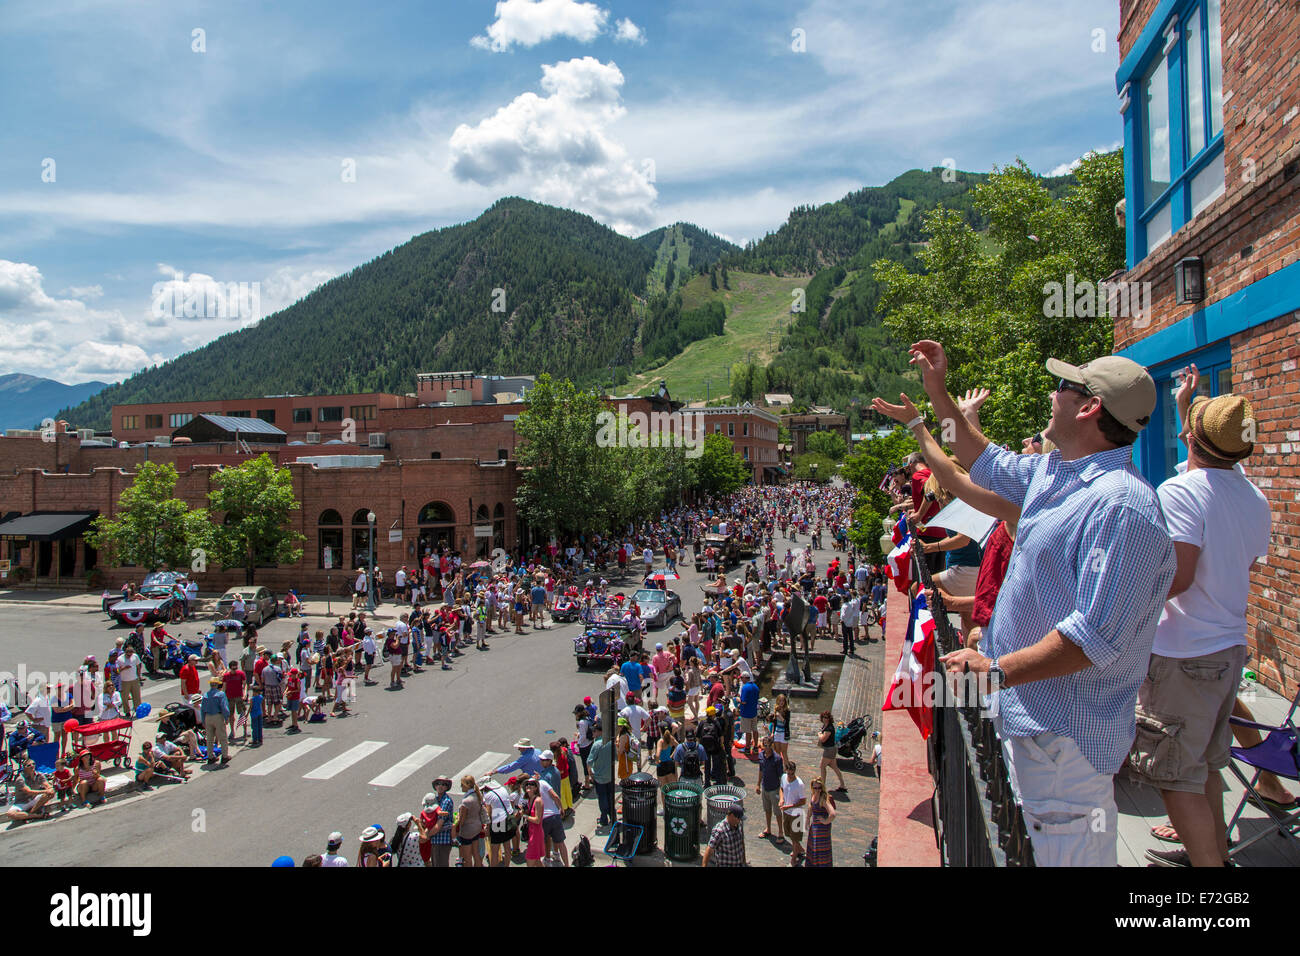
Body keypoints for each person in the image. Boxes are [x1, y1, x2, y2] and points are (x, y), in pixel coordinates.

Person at [907, 339, 1176, 868]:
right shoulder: (1059, 473)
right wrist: (936, 391)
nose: (1052, 395)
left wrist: (997, 669)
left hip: (1064, 742)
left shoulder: (1122, 506)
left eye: (1062, 386)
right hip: (1030, 723)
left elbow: (1092, 636)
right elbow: (979, 460)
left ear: (1089, 407)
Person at [1132, 385, 1272, 868]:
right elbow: (1246, 563)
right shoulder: (1253, 496)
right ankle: (1212, 854)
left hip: (1183, 652)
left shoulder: (1181, 493)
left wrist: (1124, 602)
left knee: (1173, 775)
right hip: (1229, 647)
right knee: (1206, 767)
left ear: (1190, 436)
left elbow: (1179, 575)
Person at [586, 721, 616, 827]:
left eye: (594, 731)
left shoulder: (596, 745)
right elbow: (616, 758)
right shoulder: (611, 743)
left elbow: (589, 761)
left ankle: (604, 818)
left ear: (600, 732)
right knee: (610, 797)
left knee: (602, 798)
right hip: (610, 776)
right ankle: (613, 817)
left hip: (599, 777)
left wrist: (591, 774)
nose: (592, 733)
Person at [755, 735, 784, 839]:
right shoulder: (761, 755)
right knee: (767, 809)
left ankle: (781, 832)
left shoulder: (777, 759)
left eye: (768, 745)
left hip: (774, 788)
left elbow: (781, 777)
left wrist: (781, 794)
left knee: (777, 812)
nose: (766, 748)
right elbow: (761, 770)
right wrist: (758, 784)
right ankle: (768, 828)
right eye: (764, 745)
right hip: (765, 787)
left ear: (772, 745)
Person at [779, 759, 807, 865]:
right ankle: (800, 849)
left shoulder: (799, 784)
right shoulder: (783, 777)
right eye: (788, 773)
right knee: (789, 834)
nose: (790, 776)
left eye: (792, 774)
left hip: (797, 814)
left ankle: (793, 860)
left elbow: (803, 801)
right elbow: (781, 789)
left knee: (795, 839)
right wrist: (781, 799)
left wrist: (789, 806)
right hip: (786, 812)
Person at [805, 778, 837, 867]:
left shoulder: (823, 799)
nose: (818, 790)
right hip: (814, 828)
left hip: (822, 830)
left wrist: (825, 821)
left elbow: (833, 814)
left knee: (821, 852)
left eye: (819, 788)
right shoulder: (813, 795)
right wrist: (808, 818)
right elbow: (810, 806)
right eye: (815, 788)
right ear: (812, 787)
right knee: (813, 850)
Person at [200, 677, 231, 766]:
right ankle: (224, 756)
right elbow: (224, 707)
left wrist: (203, 720)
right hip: (218, 716)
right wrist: (226, 717)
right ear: (217, 684)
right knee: (222, 737)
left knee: (209, 738)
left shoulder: (205, 695)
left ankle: (210, 757)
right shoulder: (220, 694)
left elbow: (202, 709)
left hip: (208, 717)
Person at [456, 775, 486, 867]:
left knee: (467, 857)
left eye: (462, 784)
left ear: (467, 785)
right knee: (476, 853)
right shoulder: (477, 796)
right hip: (477, 828)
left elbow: (462, 819)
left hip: (467, 831)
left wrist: (457, 824)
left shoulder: (466, 801)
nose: (461, 786)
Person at [426, 779, 456, 867]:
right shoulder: (434, 800)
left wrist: (427, 836)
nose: (440, 786)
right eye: (438, 784)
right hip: (435, 839)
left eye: (443, 784)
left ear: (446, 787)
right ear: (435, 786)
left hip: (443, 839)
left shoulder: (446, 801)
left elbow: (439, 824)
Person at [817, 710, 847, 791]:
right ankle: (842, 785)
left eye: (827, 718)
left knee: (822, 766)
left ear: (829, 719)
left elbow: (823, 739)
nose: (825, 719)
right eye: (824, 717)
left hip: (829, 750)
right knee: (834, 767)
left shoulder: (829, 728)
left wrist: (819, 734)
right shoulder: (825, 726)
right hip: (830, 749)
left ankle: (823, 786)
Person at [522, 779, 546, 867]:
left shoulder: (538, 801)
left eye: (531, 784)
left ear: (536, 788)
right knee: (536, 861)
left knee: (530, 861)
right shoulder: (530, 800)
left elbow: (537, 820)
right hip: (531, 832)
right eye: (527, 784)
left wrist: (525, 816)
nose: (528, 785)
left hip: (536, 834)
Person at [738, 675, 760, 755]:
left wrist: (738, 700)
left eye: (741, 678)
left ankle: (747, 748)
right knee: (755, 730)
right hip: (754, 712)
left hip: (746, 713)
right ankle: (756, 747)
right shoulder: (756, 687)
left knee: (747, 732)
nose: (741, 680)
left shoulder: (745, 688)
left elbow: (743, 701)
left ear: (745, 678)